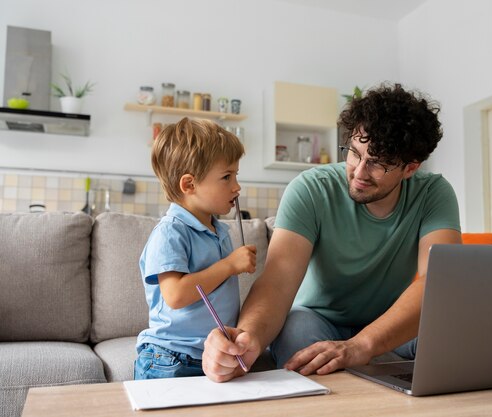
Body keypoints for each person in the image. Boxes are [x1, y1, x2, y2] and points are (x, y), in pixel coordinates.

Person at [202, 83, 461, 382]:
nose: (359, 171)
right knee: (296, 336)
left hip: (390, 321)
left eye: (377, 163)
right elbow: (277, 280)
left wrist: (362, 345)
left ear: (410, 168)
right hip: (316, 318)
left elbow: (437, 281)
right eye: (355, 152)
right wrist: (245, 340)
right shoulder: (311, 188)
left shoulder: (433, 193)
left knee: (452, 329)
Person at [134, 117, 257, 380]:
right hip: (170, 357)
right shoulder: (170, 232)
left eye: (236, 175)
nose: (237, 186)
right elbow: (176, 295)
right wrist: (229, 265)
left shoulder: (219, 230)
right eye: (226, 176)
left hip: (210, 356)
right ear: (189, 185)